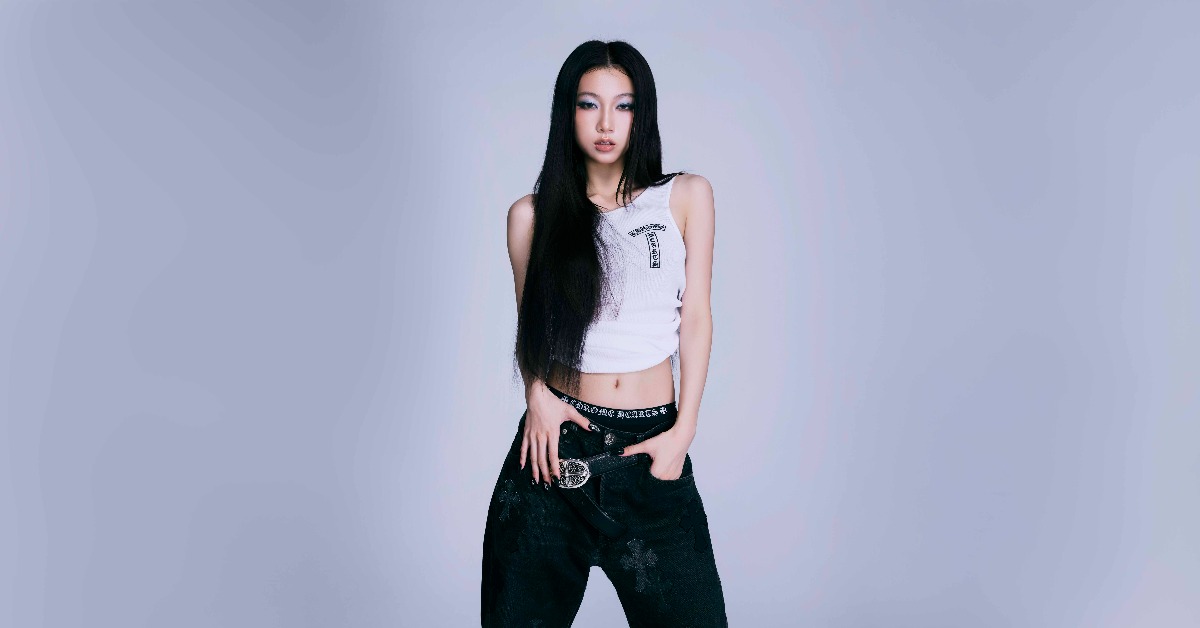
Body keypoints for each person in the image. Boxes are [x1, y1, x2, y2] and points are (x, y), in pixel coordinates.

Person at [481, 39, 727, 627]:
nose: (606, 124)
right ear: (567, 113)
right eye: (589, 104)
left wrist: (683, 431)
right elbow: (532, 330)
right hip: (554, 452)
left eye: (624, 105)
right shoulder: (531, 217)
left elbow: (696, 317)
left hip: (651, 449)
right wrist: (536, 396)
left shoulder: (685, 197)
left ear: (642, 115)